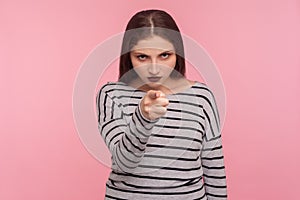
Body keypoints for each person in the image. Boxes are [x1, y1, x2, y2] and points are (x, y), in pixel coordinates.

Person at [96, 9, 227, 199]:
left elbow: (214, 169)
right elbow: (125, 162)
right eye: (142, 57)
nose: (155, 69)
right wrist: (143, 117)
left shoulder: (202, 97)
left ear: (177, 54)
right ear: (129, 57)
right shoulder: (112, 95)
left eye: (165, 55)